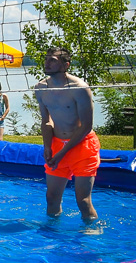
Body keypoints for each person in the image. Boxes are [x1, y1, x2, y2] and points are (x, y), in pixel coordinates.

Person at [34, 46, 99, 222]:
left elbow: (86, 126)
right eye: (46, 59)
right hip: (56, 144)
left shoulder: (80, 88)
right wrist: (47, 147)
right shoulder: (41, 88)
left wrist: (62, 153)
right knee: (51, 198)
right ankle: (52, 232)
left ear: (66, 65)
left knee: (83, 201)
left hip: (82, 145)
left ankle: (91, 232)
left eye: (52, 60)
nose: (47, 63)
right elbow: (46, 121)